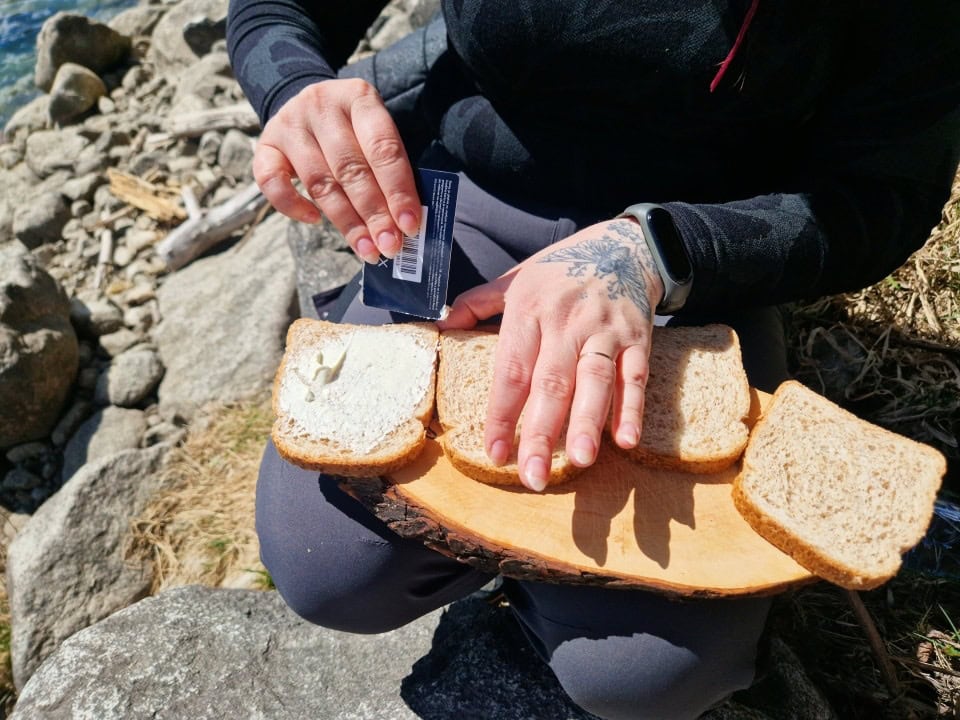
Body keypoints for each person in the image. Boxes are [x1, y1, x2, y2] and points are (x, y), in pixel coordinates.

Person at [226, 3, 960, 718]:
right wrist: (295, 87)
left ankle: (536, 594)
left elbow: (885, 193)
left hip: (689, 267)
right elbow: (278, 10)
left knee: (643, 676)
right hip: (469, 204)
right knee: (331, 574)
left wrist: (658, 253)